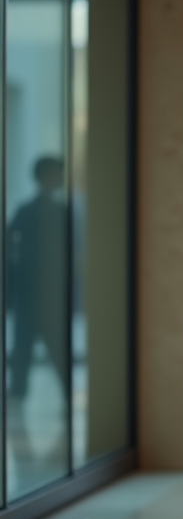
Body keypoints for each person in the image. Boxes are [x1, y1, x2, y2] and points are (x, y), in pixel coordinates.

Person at [7, 156, 70, 403]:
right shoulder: (31, 211)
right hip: (30, 290)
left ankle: (23, 390)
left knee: (47, 344)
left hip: (45, 291)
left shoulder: (57, 211)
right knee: (26, 344)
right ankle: (19, 390)